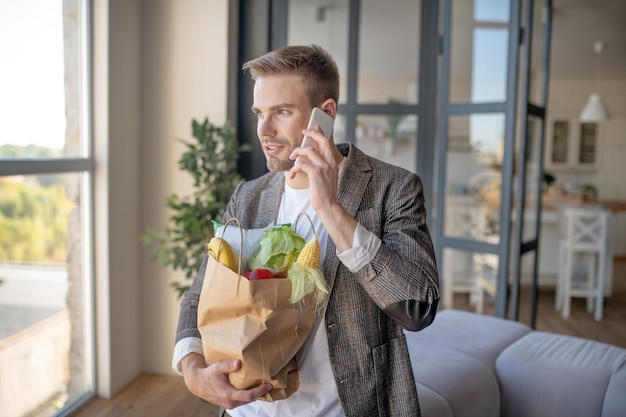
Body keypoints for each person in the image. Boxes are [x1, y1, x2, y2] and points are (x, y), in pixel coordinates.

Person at [172, 44, 440, 417]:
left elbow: (418, 308)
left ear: (325, 114)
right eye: (259, 113)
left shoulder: (393, 188)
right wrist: (191, 369)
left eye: (281, 112)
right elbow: (198, 295)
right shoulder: (248, 197)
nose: (264, 130)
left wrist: (330, 208)